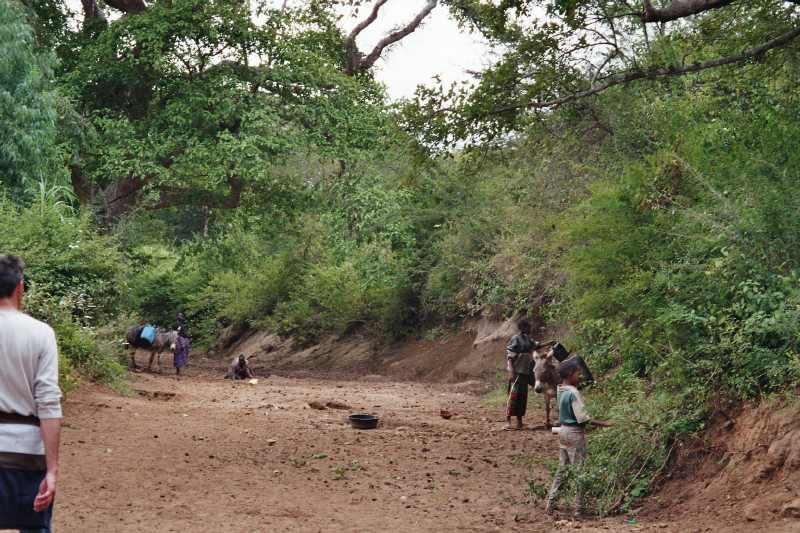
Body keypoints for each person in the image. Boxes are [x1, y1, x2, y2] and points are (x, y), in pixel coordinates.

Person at [0, 256, 62, 533]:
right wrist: (52, 470)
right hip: (26, 455)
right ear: (20, 287)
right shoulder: (41, 334)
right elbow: (48, 404)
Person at [545, 359, 612, 517]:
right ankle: (578, 509)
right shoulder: (574, 393)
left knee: (562, 470)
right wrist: (605, 423)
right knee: (579, 471)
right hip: (575, 433)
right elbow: (583, 419)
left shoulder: (560, 389)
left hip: (562, 432)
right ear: (570, 374)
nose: (579, 376)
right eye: (577, 373)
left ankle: (550, 503)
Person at [505, 319, 555, 430]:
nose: (530, 329)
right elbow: (510, 356)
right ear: (523, 328)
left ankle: (519, 422)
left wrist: (550, 342)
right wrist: (511, 371)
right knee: (513, 396)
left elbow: (537, 346)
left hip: (526, 371)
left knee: (522, 397)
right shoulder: (516, 339)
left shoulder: (528, 339)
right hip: (517, 371)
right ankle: (508, 421)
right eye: (528, 327)